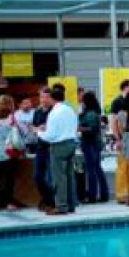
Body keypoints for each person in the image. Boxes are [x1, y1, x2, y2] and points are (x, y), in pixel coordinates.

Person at [39, 85, 79, 215]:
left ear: (52, 98)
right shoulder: (70, 110)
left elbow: (50, 135)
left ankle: (61, 206)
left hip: (59, 145)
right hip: (71, 143)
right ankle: (71, 204)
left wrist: (38, 133)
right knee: (69, 176)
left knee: (59, 178)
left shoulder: (54, 113)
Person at [79, 91, 109, 203]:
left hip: (90, 143)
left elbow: (92, 129)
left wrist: (80, 128)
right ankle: (103, 194)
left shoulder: (90, 114)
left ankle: (92, 195)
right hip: (95, 143)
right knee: (97, 168)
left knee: (92, 170)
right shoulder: (95, 112)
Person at [110, 79, 129, 204]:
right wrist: (117, 139)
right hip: (123, 138)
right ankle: (121, 194)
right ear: (125, 88)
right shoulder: (117, 102)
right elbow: (113, 121)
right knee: (122, 167)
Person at [30, 89, 55, 210]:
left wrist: (44, 128)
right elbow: (33, 127)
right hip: (40, 146)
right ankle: (46, 198)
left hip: (51, 146)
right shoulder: (38, 111)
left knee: (51, 176)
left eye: (47, 97)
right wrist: (38, 128)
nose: (44, 100)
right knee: (38, 176)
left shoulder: (54, 111)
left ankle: (51, 201)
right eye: (42, 97)